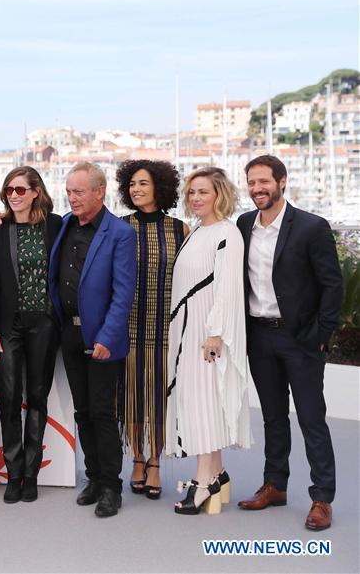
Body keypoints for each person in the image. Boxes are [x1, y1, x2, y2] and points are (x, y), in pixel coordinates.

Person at [235, 155, 343, 531]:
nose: (256, 189)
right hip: (259, 336)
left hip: (301, 340)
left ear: (282, 182)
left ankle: (321, 498)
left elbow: (333, 286)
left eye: (264, 181)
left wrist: (318, 337)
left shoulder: (312, 227)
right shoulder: (244, 224)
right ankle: (275, 485)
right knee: (272, 417)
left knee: (312, 419)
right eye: (251, 182)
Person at [48, 161, 136, 518]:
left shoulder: (119, 233)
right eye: (69, 191)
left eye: (79, 192)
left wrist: (107, 336)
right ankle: (95, 478)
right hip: (69, 332)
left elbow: (123, 291)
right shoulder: (65, 224)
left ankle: (112, 487)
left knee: (103, 413)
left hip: (101, 338)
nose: (72, 198)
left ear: (99, 192)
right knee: (83, 411)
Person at [166, 167, 251, 516]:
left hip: (206, 333)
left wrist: (215, 333)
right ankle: (216, 474)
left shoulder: (227, 234)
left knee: (202, 404)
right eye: (192, 193)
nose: (196, 198)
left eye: (203, 192)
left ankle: (203, 482)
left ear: (220, 195)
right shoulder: (197, 231)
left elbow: (228, 289)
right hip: (187, 331)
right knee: (199, 403)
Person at [0, 166, 62, 503]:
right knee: (8, 399)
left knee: (37, 397)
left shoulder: (55, 225)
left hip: (44, 322)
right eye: (9, 191)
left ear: (35, 192)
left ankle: (31, 474)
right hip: (8, 325)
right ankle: (12, 474)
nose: (13, 196)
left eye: (19, 190)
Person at [114, 160, 188, 500]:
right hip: (127, 326)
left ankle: (156, 461)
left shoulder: (180, 230)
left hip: (165, 327)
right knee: (129, 395)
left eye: (143, 183)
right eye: (131, 184)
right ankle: (138, 459)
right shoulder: (119, 227)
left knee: (158, 395)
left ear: (160, 186)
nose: (136, 189)